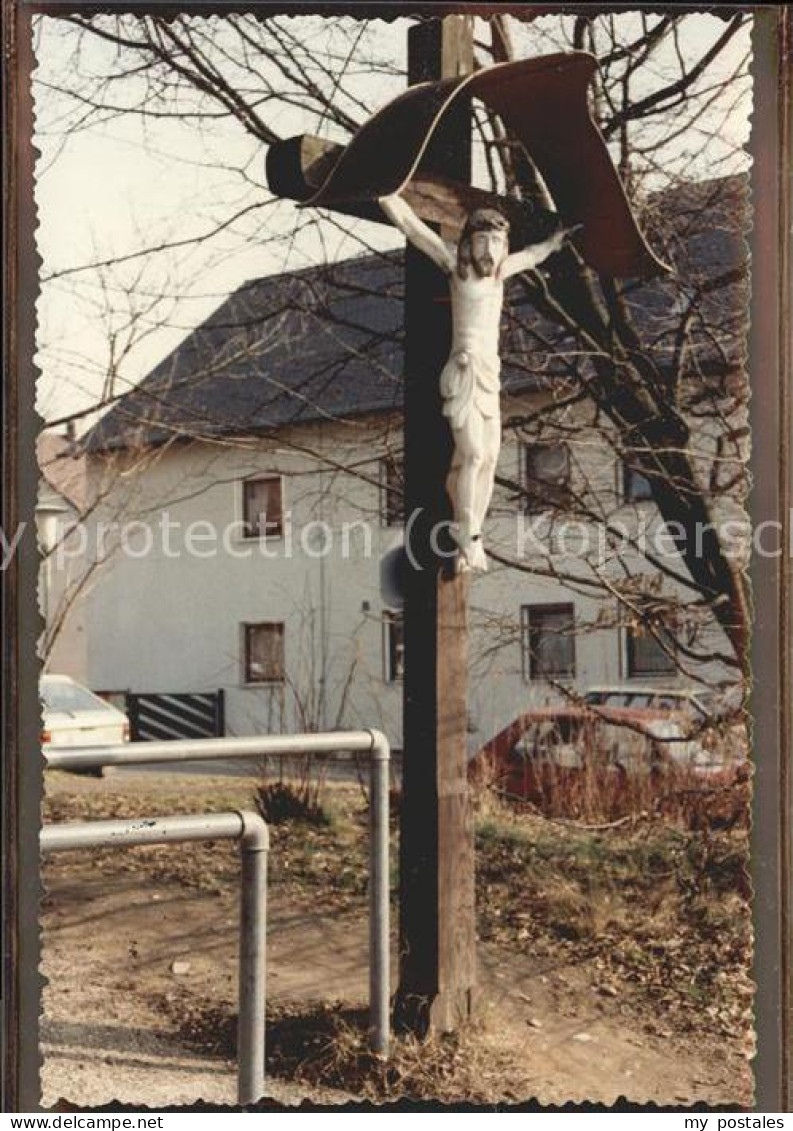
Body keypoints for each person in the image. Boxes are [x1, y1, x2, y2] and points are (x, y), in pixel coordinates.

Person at [379, 194, 573, 571]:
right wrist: (388, 195)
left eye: (498, 243)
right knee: (474, 455)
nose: (490, 250)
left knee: (488, 458)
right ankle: (467, 535)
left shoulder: (501, 274)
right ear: (468, 243)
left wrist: (554, 241)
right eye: (483, 241)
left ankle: (470, 527)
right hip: (464, 372)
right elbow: (414, 228)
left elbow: (533, 256)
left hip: (489, 375)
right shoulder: (456, 269)